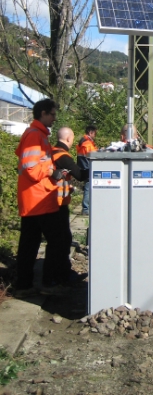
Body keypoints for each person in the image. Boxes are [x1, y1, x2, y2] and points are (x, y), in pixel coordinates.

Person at [15, 98, 64, 297]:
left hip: (33, 198)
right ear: (43, 113)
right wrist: (51, 171)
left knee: (29, 243)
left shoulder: (36, 134)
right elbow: (31, 169)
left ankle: (23, 285)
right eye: (52, 114)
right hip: (39, 199)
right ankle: (48, 282)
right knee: (57, 240)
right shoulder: (35, 136)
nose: (54, 118)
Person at [52, 127, 89, 285]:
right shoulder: (62, 155)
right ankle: (61, 277)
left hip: (55, 201)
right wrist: (99, 169)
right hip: (57, 203)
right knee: (63, 240)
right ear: (68, 139)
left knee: (61, 239)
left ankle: (63, 275)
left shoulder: (52, 151)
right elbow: (79, 175)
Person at [76, 125, 98, 215]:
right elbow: (94, 155)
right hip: (88, 168)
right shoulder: (87, 143)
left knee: (88, 187)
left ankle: (87, 208)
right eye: (95, 133)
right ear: (90, 132)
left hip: (84, 167)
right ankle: (86, 209)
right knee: (88, 188)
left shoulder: (83, 141)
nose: (95, 135)